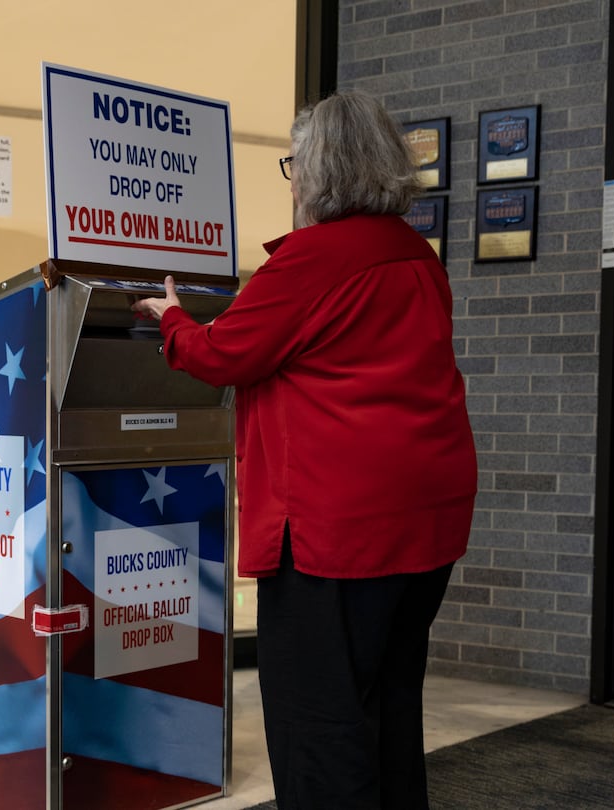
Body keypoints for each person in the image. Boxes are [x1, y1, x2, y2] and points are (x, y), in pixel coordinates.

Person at [132, 91, 477, 809]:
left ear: (321, 171)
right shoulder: (416, 255)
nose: (291, 181)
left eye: (295, 166)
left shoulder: (314, 261)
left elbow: (225, 352)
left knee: (317, 721)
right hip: (426, 519)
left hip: (335, 530)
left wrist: (171, 320)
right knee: (387, 702)